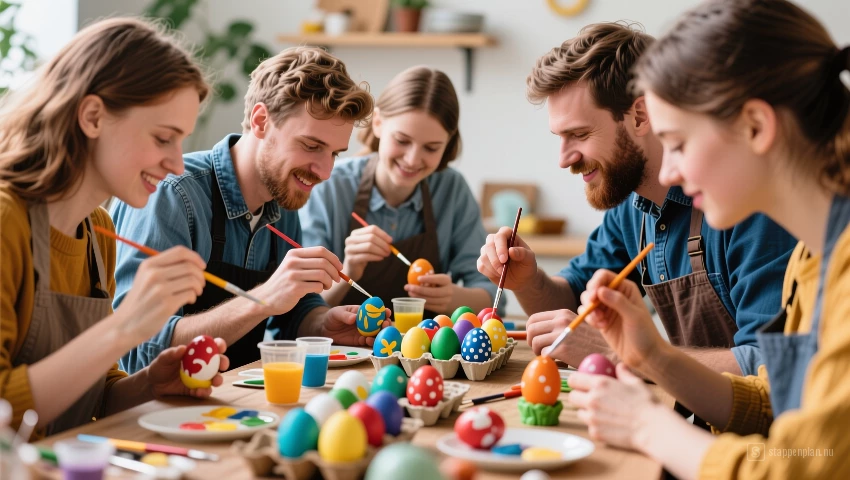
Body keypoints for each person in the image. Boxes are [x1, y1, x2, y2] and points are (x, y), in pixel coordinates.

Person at [567, 1, 850, 477]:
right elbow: (779, 404)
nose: (669, 170)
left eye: (677, 143)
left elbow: (805, 465)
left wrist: (645, 425)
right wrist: (652, 356)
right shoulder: (812, 255)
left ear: (756, 127)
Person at [477, 22, 797, 376]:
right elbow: (569, 302)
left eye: (579, 134)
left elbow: (770, 367)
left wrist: (624, 354)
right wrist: (528, 280)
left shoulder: (747, 207)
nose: (564, 158)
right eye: (560, 137)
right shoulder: (631, 206)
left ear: (640, 116)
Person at [0, 18, 229, 436]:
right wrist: (125, 327)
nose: (177, 164)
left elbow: (89, 395)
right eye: (163, 138)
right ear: (92, 117)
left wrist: (149, 386)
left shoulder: (97, 232)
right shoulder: (5, 221)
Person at [111, 46, 378, 372]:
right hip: (149, 417)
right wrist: (261, 300)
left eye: (334, 154)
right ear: (261, 121)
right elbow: (138, 352)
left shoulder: (284, 199)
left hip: (233, 408)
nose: (324, 171)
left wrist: (322, 324)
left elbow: (288, 317)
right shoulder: (173, 195)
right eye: (311, 146)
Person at [300, 66, 501, 317]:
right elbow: (302, 306)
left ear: (448, 144)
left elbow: (495, 294)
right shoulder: (330, 185)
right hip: (345, 352)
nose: (412, 159)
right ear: (378, 123)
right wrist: (348, 270)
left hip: (424, 355)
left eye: (431, 148)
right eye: (402, 141)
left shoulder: (452, 190)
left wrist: (453, 297)